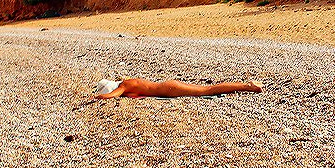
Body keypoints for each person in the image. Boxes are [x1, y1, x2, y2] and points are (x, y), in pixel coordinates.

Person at [94, 78, 262, 99]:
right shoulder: (128, 83)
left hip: (169, 89)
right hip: (168, 87)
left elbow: (114, 95)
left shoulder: (125, 84)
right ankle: (247, 87)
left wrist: (100, 97)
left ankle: (249, 87)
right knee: (207, 89)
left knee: (207, 90)